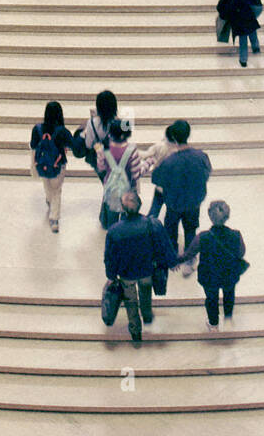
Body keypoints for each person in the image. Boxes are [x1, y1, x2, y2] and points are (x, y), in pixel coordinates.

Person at [103, 190, 178, 344]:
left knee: (130, 301)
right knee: (145, 292)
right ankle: (147, 314)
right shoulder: (152, 224)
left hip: (126, 274)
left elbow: (110, 257)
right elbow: (164, 245)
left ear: (123, 209)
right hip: (147, 270)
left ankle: (136, 330)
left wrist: (111, 276)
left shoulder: (114, 231)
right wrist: (171, 262)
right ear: (140, 205)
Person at [150, 121, 212, 270]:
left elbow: (156, 179)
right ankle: (190, 258)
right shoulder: (201, 156)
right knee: (191, 228)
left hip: (174, 203)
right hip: (194, 201)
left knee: (171, 229)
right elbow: (207, 173)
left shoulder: (170, 162)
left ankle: (172, 259)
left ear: (174, 138)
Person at [180, 200, 247, 330]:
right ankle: (228, 319)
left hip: (209, 275)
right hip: (229, 274)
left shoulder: (202, 237)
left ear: (210, 216)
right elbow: (241, 252)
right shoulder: (236, 235)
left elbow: (189, 254)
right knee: (229, 295)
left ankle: (213, 323)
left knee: (211, 299)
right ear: (227, 216)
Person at [30, 100, 71, 233]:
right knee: (57, 190)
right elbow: (72, 145)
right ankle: (54, 219)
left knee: (47, 184)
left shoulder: (37, 129)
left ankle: (49, 200)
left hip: (42, 164)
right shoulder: (62, 131)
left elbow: (33, 146)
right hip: (58, 164)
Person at [95, 116, 141, 229]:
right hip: (128, 190)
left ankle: (113, 237)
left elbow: (101, 168)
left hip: (111, 188)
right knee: (127, 220)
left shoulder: (103, 150)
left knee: (112, 219)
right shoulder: (132, 150)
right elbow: (136, 174)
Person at [140, 120, 185, 219]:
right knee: (171, 213)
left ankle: (150, 227)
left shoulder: (160, 146)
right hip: (174, 186)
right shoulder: (180, 150)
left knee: (155, 209)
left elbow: (145, 154)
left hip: (161, 183)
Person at [83, 90, 119, 174]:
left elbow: (88, 144)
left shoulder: (91, 122)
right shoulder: (118, 123)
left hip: (99, 160)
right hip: (115, 159)